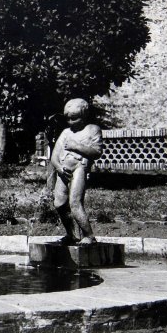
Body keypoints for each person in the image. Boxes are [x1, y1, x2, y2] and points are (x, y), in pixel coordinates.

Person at [50, 99, 103, 246]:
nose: (70, 122)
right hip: (63, 171)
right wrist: (59, 168)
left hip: (80, 168)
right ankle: (71, 234)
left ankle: (89, 235)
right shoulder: (66, 133)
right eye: (68, 118)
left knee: (75, 202)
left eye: (74, 118)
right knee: (59, 203)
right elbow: (54, 156)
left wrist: (76, 146)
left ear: (85, 115)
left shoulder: (92, 129)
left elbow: (97, 151)